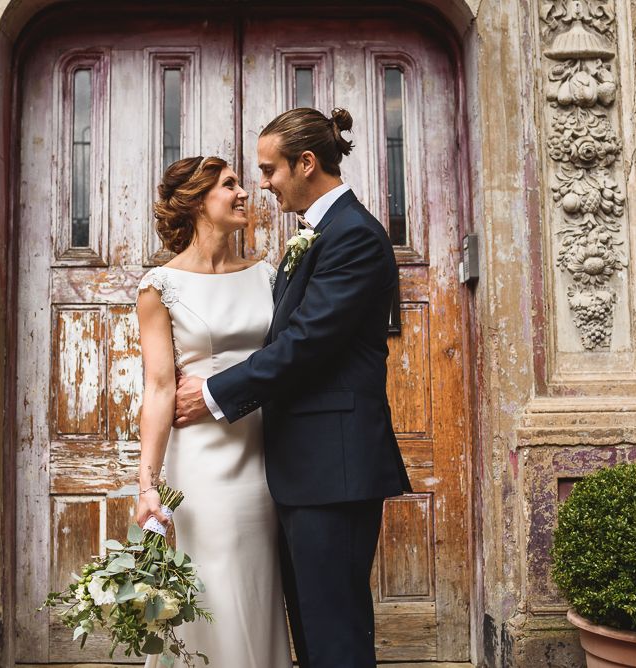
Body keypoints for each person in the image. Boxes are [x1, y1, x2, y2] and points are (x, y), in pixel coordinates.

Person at [174, 108, 412, 668]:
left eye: (268, 169)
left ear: (305, 163)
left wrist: (211, 394)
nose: (262, 184)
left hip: (336, 468)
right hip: (304, 469)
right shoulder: (318, 233)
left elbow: (305, 344)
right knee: (311, 628)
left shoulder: (354, 235)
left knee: (335, 635)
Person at [135, 156, 292, 668]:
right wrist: (147, 485)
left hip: (265, 451)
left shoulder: (268, 275)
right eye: (229, 185)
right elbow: (159, 389)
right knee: (215, 587)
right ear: (199, 202)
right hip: (203, 460)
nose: (245, 192)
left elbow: (286, 361)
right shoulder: (160, 287)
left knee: (256, 588)